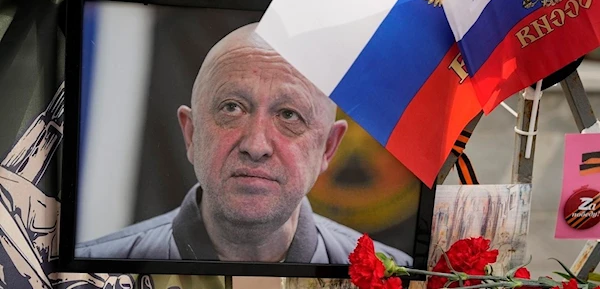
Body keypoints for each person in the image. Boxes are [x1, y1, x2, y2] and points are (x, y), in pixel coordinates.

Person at [75, 23, 413, 265]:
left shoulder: (394, 277)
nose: (256, 144)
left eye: (289, 115)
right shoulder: (93, 271)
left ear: (328, 147)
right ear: (191, 133)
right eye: (232, 108)